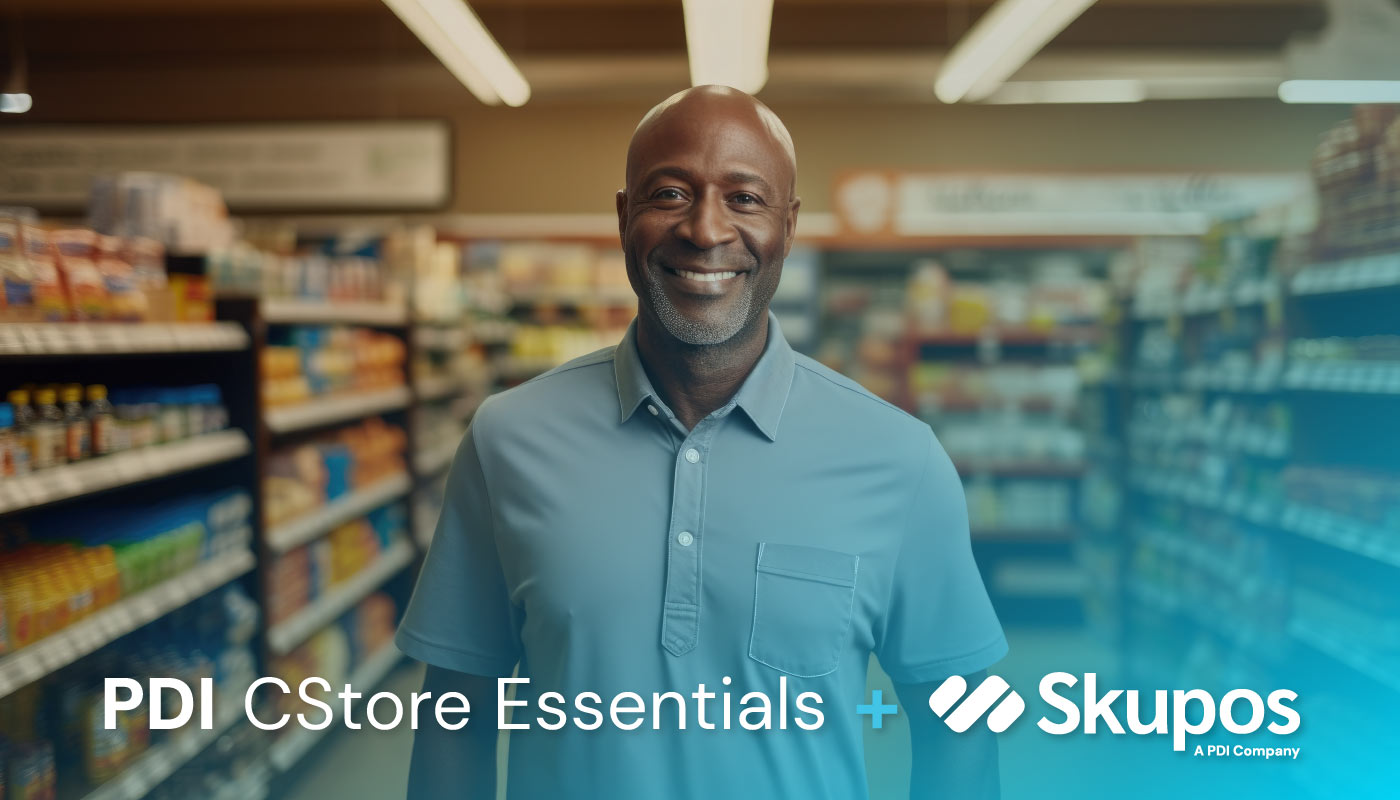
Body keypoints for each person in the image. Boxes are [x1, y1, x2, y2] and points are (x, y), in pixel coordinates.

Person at [397, 85, 1007, 800]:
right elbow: (454, 716)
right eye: (670, 193)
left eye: (745, 198)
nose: (706, 229)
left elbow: (961, 727)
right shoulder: (508, 441)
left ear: (790, 225)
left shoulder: (901, 461)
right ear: (624, 216)